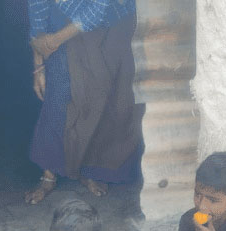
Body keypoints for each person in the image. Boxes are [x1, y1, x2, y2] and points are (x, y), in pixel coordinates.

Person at [24, 0, 143, 205]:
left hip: (111, 23)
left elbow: (99, 7)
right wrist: (39, 67)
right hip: (62, 28)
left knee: (103, 100)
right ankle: (48, 176)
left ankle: (89, 170)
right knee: (58, 97)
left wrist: (54, 40)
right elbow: (37, 13)